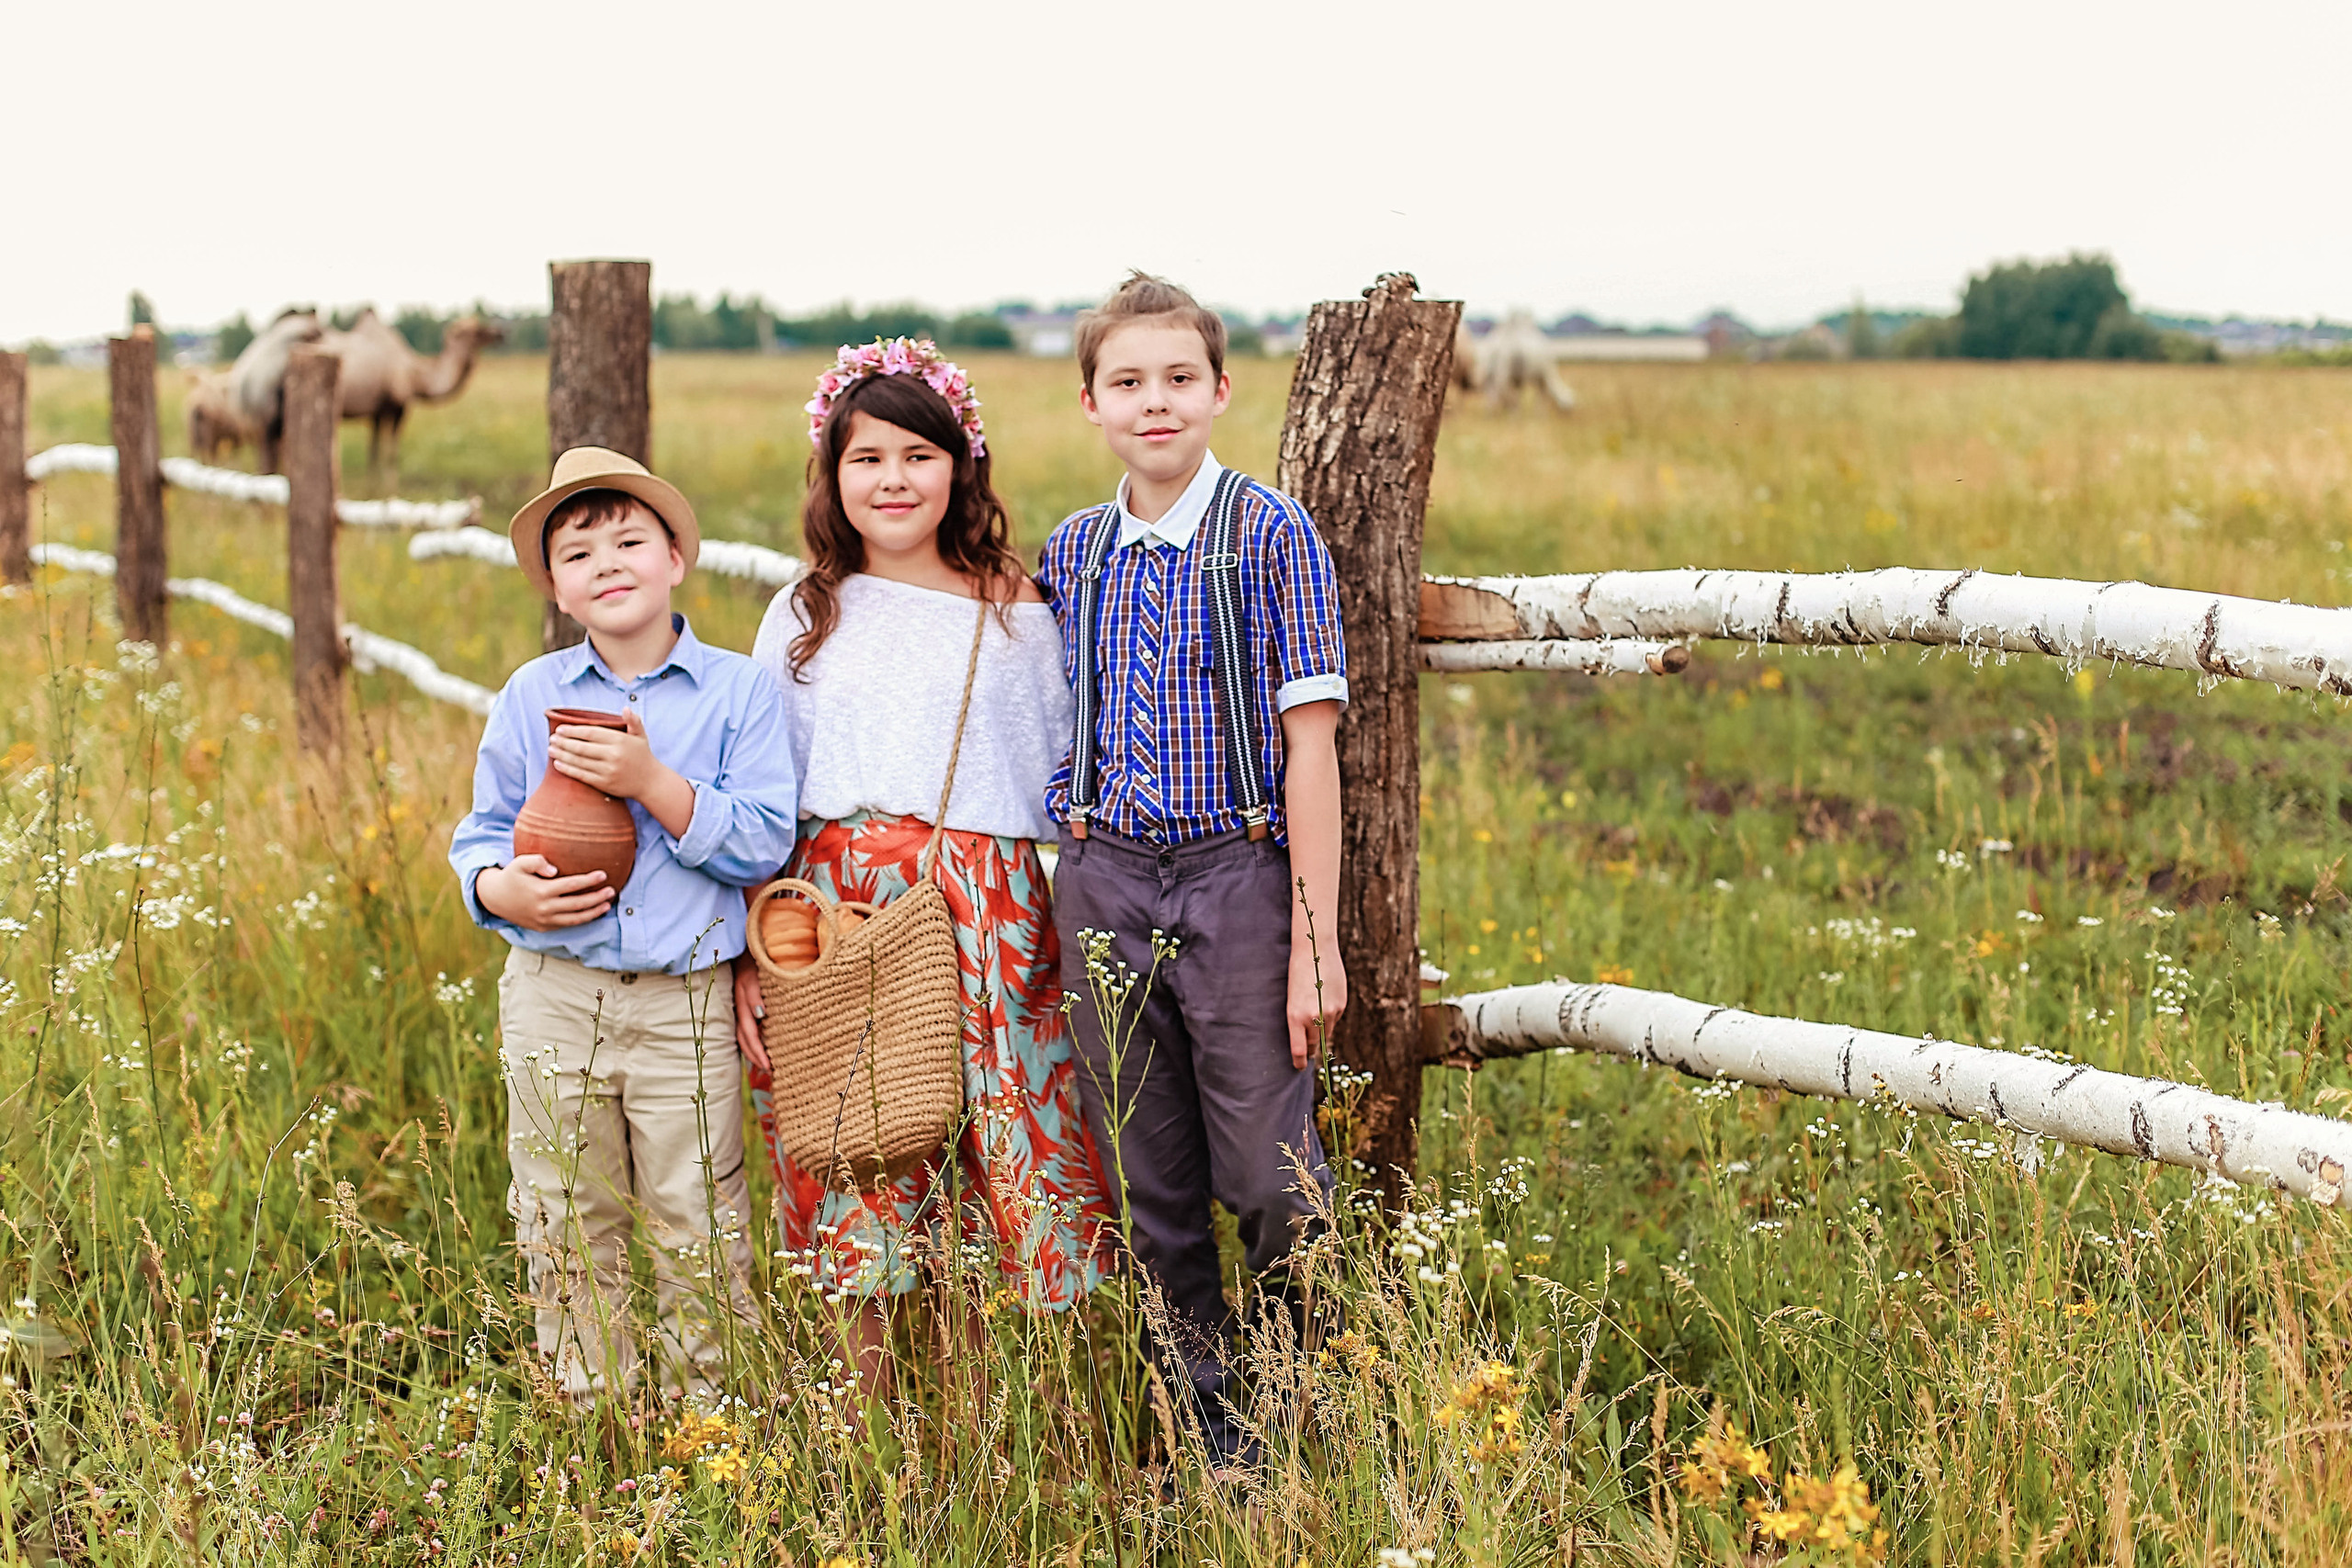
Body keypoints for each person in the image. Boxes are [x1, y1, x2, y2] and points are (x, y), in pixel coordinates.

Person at [740, 339, 1116, 1397]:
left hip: (989, 908)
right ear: (834, 475)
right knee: (861, 1135)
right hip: (838, 900)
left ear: (961, 465)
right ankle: (871, 1436)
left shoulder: (1018, 612)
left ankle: (1014, 1424)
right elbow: (768, 797)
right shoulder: (805, 614)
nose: (894, 479)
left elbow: (1055, 773)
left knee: (1007, 1140)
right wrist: (748, 957)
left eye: (918, 454)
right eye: (867, 458)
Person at [1036, 273, 1349, 1472]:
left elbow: (1311, 745)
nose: (1154, 402)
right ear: (1090, 403)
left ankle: (1291, 1390)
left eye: (1178, 379)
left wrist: (1313, 938)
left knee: (1273, 1175)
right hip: (1106, 876)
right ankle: (1211, 1421)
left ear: (1220, 390)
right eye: (1128, 382)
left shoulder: (1271, 533)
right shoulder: (1072, 552)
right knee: (1148, 1172)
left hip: (1236, 874)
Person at [450, 446, 798, 1402]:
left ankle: (713, 1414)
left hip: (684, 999)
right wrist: (496, 891)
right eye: (578, 553)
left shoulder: (738, 694)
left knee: (699, 1216)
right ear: (558, 590)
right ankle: (594, 1413)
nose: (606, 563)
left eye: (629, 540)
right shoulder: (533, 694)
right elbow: (481, 829)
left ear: (677, 557)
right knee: (563, 1209)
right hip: (553, 992)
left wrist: (655, 786)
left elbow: (766, 839)